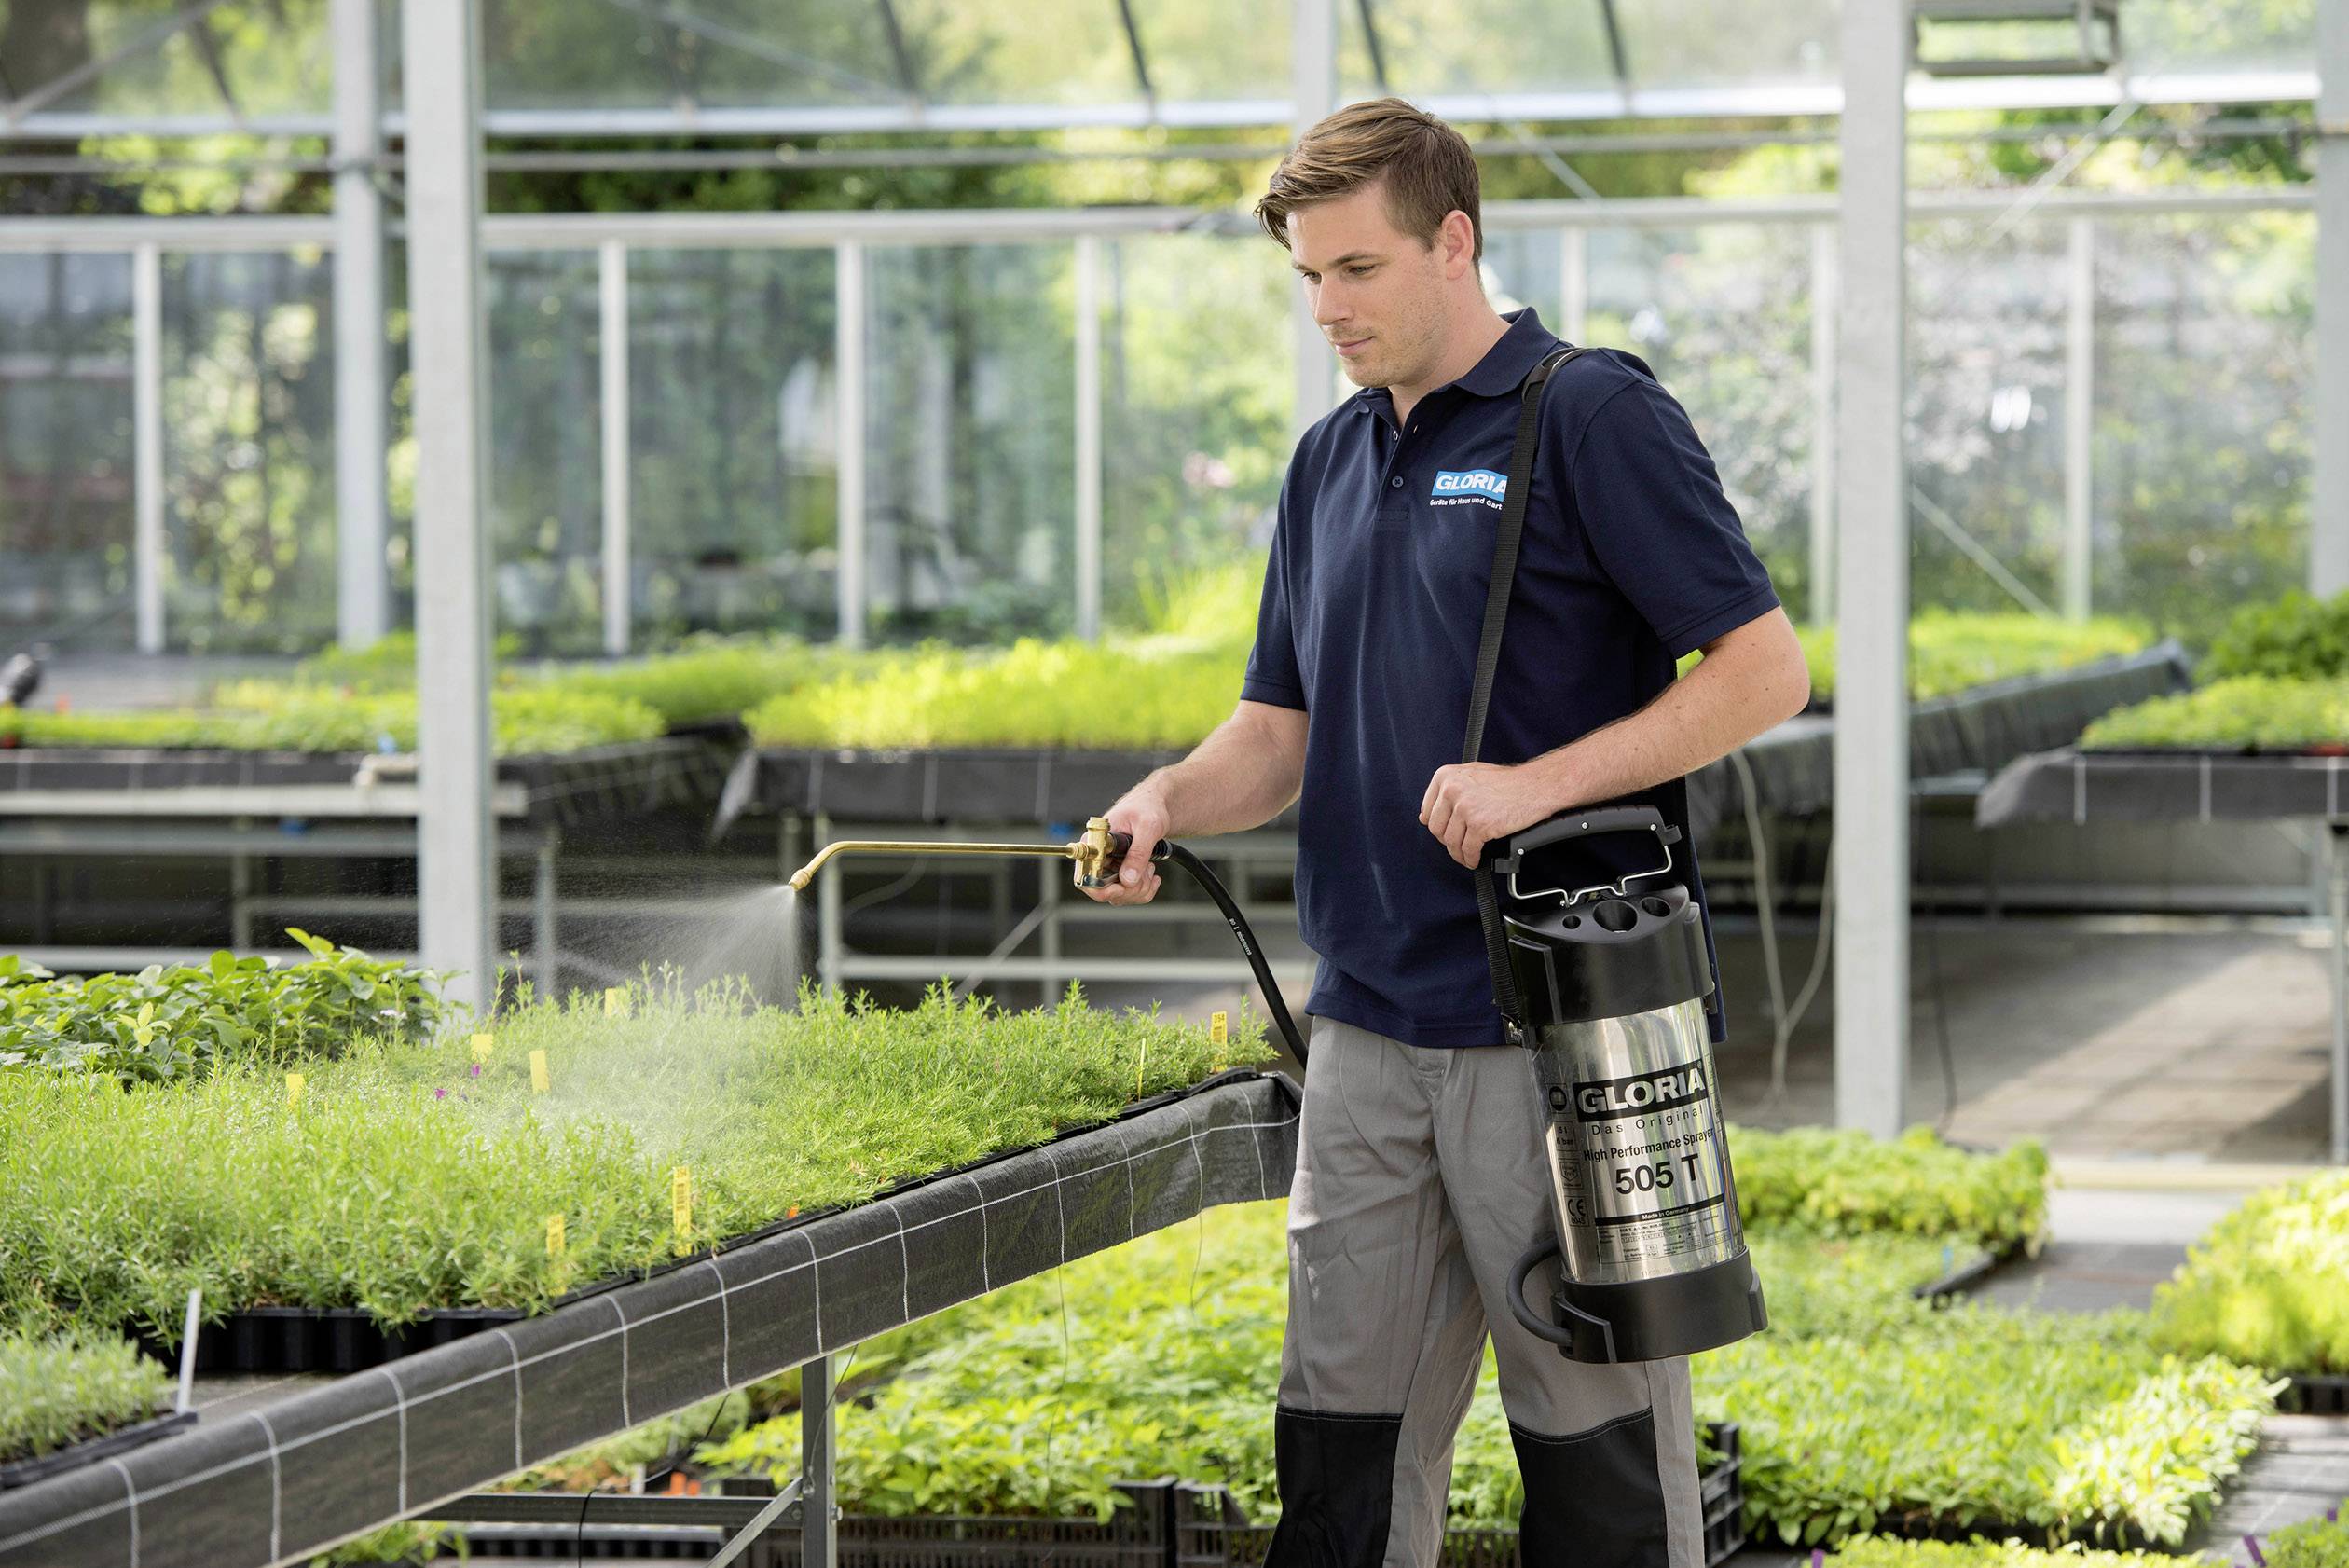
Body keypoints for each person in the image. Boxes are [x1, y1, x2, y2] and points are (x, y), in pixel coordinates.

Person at [1085, 98, 1809, 1568]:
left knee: (1596, 1466)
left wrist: (1538, 782)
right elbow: (1275, 735)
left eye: (1355, 270)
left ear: (1455, 241)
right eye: (1306, 278)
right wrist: (1166, 796)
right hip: (1363, 1040)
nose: (1327, 309)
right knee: (1340, 1463)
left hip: (1559, 1034)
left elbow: (1762, 670)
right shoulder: (1328, 460)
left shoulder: (1589, 412)